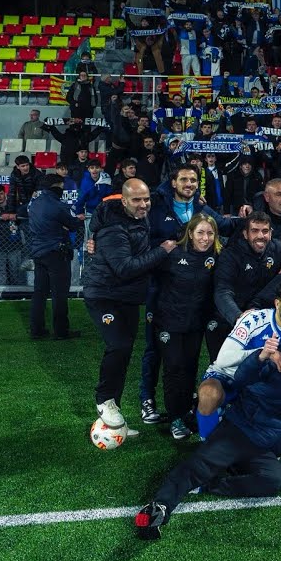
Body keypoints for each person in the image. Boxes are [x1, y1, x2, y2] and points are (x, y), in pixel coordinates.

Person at [135, 318, 281, 540]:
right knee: (197, 466)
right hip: (240, 430)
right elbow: (242, 377)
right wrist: (260, 357)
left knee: (272, 481)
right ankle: (159, 508)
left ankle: (208, 486)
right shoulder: (274, 357)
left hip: (263, 445)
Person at [83, 179, 177, 430]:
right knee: (119, 345)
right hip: (103, 295)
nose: (144, 204)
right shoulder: (113, 228)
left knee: (124, 354)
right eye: (137, 200)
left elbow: (165, 189)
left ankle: (116, 417)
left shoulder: (140, 213)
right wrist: (162, 250)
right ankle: (104, 400)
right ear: (123, 201)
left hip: (128, 297)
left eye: (146, 199)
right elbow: (125, 268)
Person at [195, 279, 281, 441]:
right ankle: (207, 445)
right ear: (277, 303)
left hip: (259, 386)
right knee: (209, 393)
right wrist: (264, 352)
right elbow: (223, 360)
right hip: (228, 377)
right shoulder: (254, 320)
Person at [152, 213, 221, 440]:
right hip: (168, 322)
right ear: (190, 234)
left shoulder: (218, 256)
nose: (205, 238)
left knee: (190, 368)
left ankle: (187, 413)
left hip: (195, 323)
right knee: (173, 369)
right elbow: (146, 268)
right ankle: (175, 418)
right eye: (200, 232)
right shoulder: (172, 253)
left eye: (210, 233)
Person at [207, 213, 281, 361]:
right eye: (255, 231)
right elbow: (222, 292)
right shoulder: (231, 255)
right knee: (224, 368)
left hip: (261, 320)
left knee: (258, 370)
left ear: (271, 233)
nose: (260, 236)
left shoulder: (277, 248)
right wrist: (240, 317)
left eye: (265, 231)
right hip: (229, 319)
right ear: (245, 234)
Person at [28, 174, 85, 339]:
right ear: (55, 186)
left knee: (39, 293)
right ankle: (61, 331)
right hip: (56, 253)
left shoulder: (35, 203)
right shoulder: (57, 205)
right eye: (61, 186)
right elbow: (73, 224)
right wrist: (76, 221)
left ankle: (36, 329)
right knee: (59, 294)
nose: (63, 189)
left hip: (38, 253)